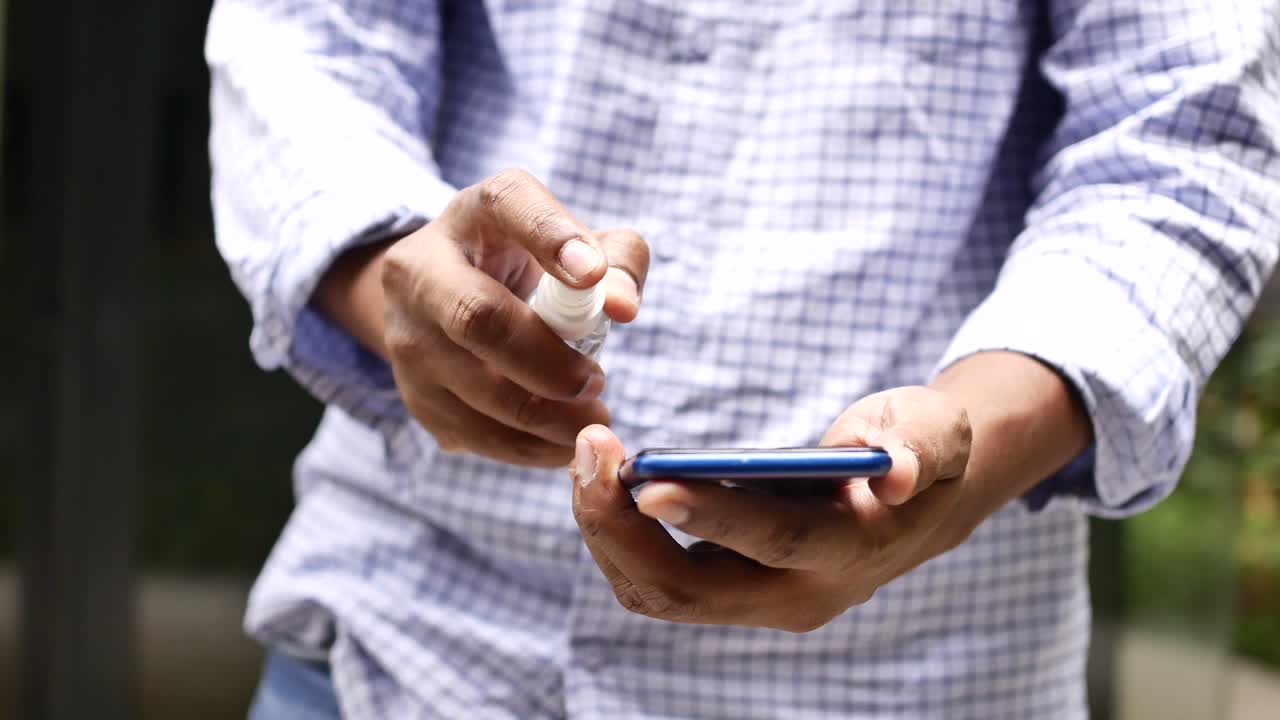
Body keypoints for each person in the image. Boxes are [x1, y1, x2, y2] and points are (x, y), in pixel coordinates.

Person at [206, 0, 1280, 717]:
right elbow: (302, 44)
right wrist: (401, 287)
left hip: (915, 677)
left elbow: (1181, 139)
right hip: (400, 651)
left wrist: (970, 446)